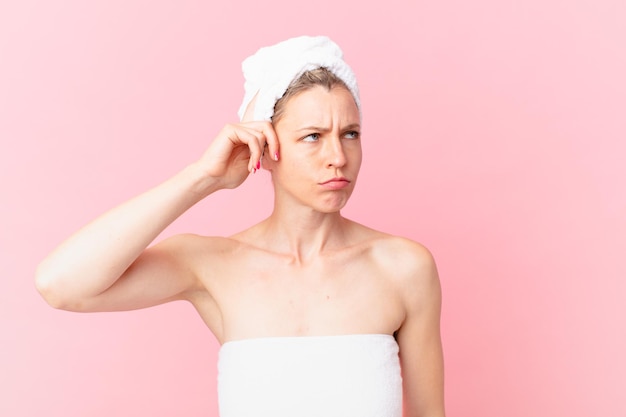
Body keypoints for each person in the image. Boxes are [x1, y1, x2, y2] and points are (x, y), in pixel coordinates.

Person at [36, 36, 445, 417]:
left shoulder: (404, 267)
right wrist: (203, 178)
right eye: (312, 136)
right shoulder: (212, 264)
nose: (337, 156)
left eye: (350, 133)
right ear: (267, 147)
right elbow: (61, 284)